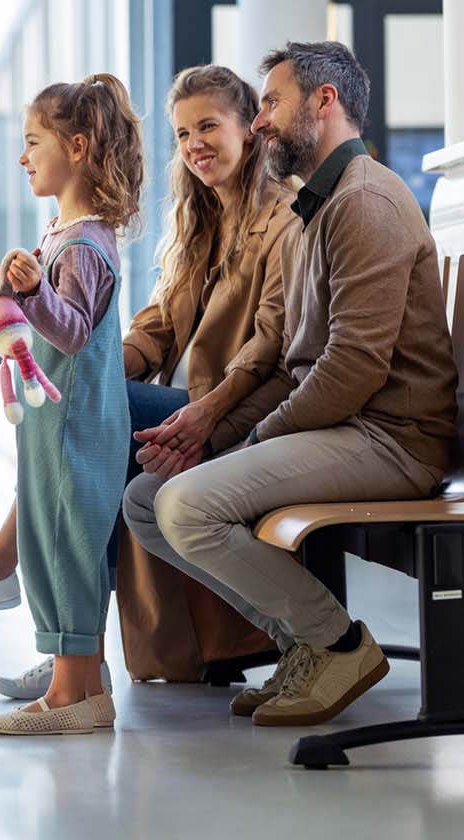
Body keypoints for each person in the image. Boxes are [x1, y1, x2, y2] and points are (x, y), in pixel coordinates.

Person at [0, 64, 303, 693]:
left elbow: (268, 347)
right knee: (82, 414)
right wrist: (86, 367)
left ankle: (35, 605)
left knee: (85, 430)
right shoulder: (199, 219)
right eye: (183, 132)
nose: (195, 143)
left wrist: (201, 413)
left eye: (209, 127)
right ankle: (71, 648)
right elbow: (155, 329)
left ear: (248, 132)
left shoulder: (285, 219)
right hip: (193, 399)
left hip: (244, 405)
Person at [124, 41, 457, 727]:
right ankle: (299, 645)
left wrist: (250, 441)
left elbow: (351, 368)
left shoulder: (366, 202)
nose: (263, 119)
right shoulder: (318, 206)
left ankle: (336, 643)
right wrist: (217, 431)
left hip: (390, 440)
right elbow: (282, 347)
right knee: (145, 502)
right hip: (346, 428)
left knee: (185, 506)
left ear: (325, 102)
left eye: (271, 101)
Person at [0, 73, 143, 736]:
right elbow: (45, 317)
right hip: (58, 427)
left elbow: (69, 328)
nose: (23, 157)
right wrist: (5, 293)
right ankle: (78, 680)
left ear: (77, 147)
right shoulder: (65, 236)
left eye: (33, 142)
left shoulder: (82, 245)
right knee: (51, 542)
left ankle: (74, 698)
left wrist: (35, 291)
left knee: (67, 545)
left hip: (75, 429)